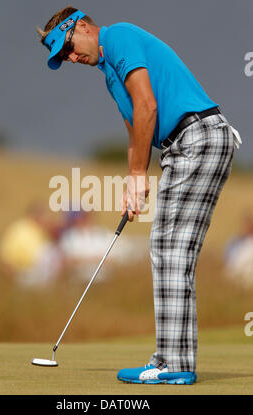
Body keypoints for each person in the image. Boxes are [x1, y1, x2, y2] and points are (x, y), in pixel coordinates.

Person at [37, 6, 242, 385]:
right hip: (192, 143)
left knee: (169, 248)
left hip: (196, 137)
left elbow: (149, 105)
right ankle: (171, 359)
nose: (71, 58)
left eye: (68, 47)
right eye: (64, 57)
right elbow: (136, 127)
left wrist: (137, 174)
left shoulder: (118, 37)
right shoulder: (110, 76)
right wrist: (134, 183)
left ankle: (174, 363)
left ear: (82, 26)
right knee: (170, 249)